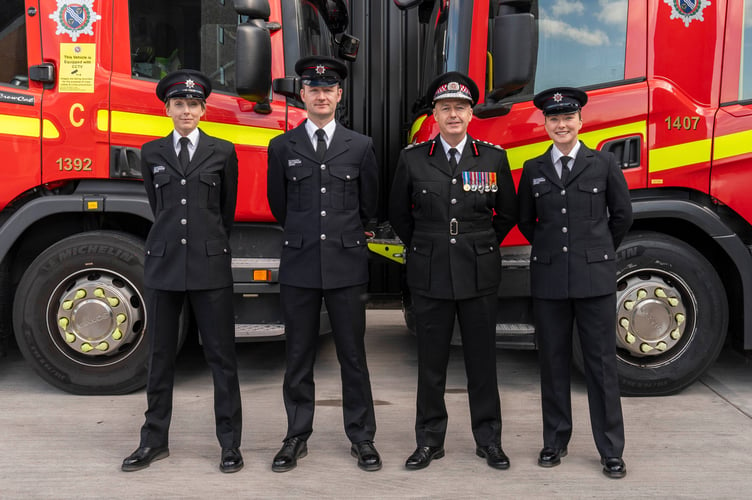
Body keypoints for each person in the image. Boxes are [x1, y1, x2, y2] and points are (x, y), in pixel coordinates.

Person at [389, 72, 518, 470]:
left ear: (471, 113)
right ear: (435, 114)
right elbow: (398, 214)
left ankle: (489, 440)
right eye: (445, 108)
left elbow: (508, 213)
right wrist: (426, 244)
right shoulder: (413, 158)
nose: (453, 115)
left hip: (478, 272)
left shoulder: (493, 157)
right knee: (431, 364)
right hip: (430, 272)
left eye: (460, 108)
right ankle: (429, 441)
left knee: (482, 363)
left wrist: (478, 242)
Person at [122, 69, 243, 473]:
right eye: (179, 104)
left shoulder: (223, 151)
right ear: (167, 109)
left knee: (222, 359)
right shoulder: (152, 152)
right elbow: (159, 208)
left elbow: (224, 211)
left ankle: (229, 444)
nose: (186, 110)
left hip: (210, 266)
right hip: (164, 263)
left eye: (193, 104)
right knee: (158, 357)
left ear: (204, 109)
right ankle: (153, 440)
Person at [266, 56, 381, 472]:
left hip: (346, 265)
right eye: (313, 89)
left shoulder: (360, 145)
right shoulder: (282, 147)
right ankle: (296, 436)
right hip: (299, 265)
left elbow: (369, 205)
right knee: (298, 355)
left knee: (353, 356)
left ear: (339, 95)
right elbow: (280, 205)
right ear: (302, 95)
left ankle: (362, 438)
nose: (320, 95)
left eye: (328, 89)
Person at [517, 87, 633, 479]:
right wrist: (554, 250)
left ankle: (611, 449)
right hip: (549, 279)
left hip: (594, 279)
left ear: (581, 122)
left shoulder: (602, 164)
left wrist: (594, 252)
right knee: (552, 364)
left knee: (601, 366)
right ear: (545, 124)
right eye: (554, 119)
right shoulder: (534, 168)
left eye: (568, 118)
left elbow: (621, 216)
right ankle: (555, 441)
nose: (561, 125)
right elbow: (526, 221)